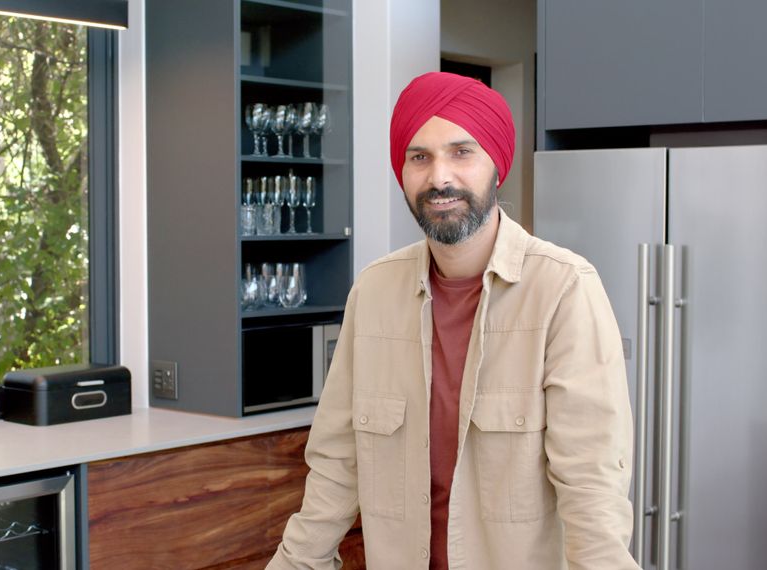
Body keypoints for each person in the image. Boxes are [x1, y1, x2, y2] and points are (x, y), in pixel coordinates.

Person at [266, 72, 638, 569]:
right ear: (402, 171)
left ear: (496, 166)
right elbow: (337, 466)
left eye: (462, 152)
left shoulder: (563, 289)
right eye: (419, 157)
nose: (439, 177)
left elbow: (593, 490)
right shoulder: (374, 292)